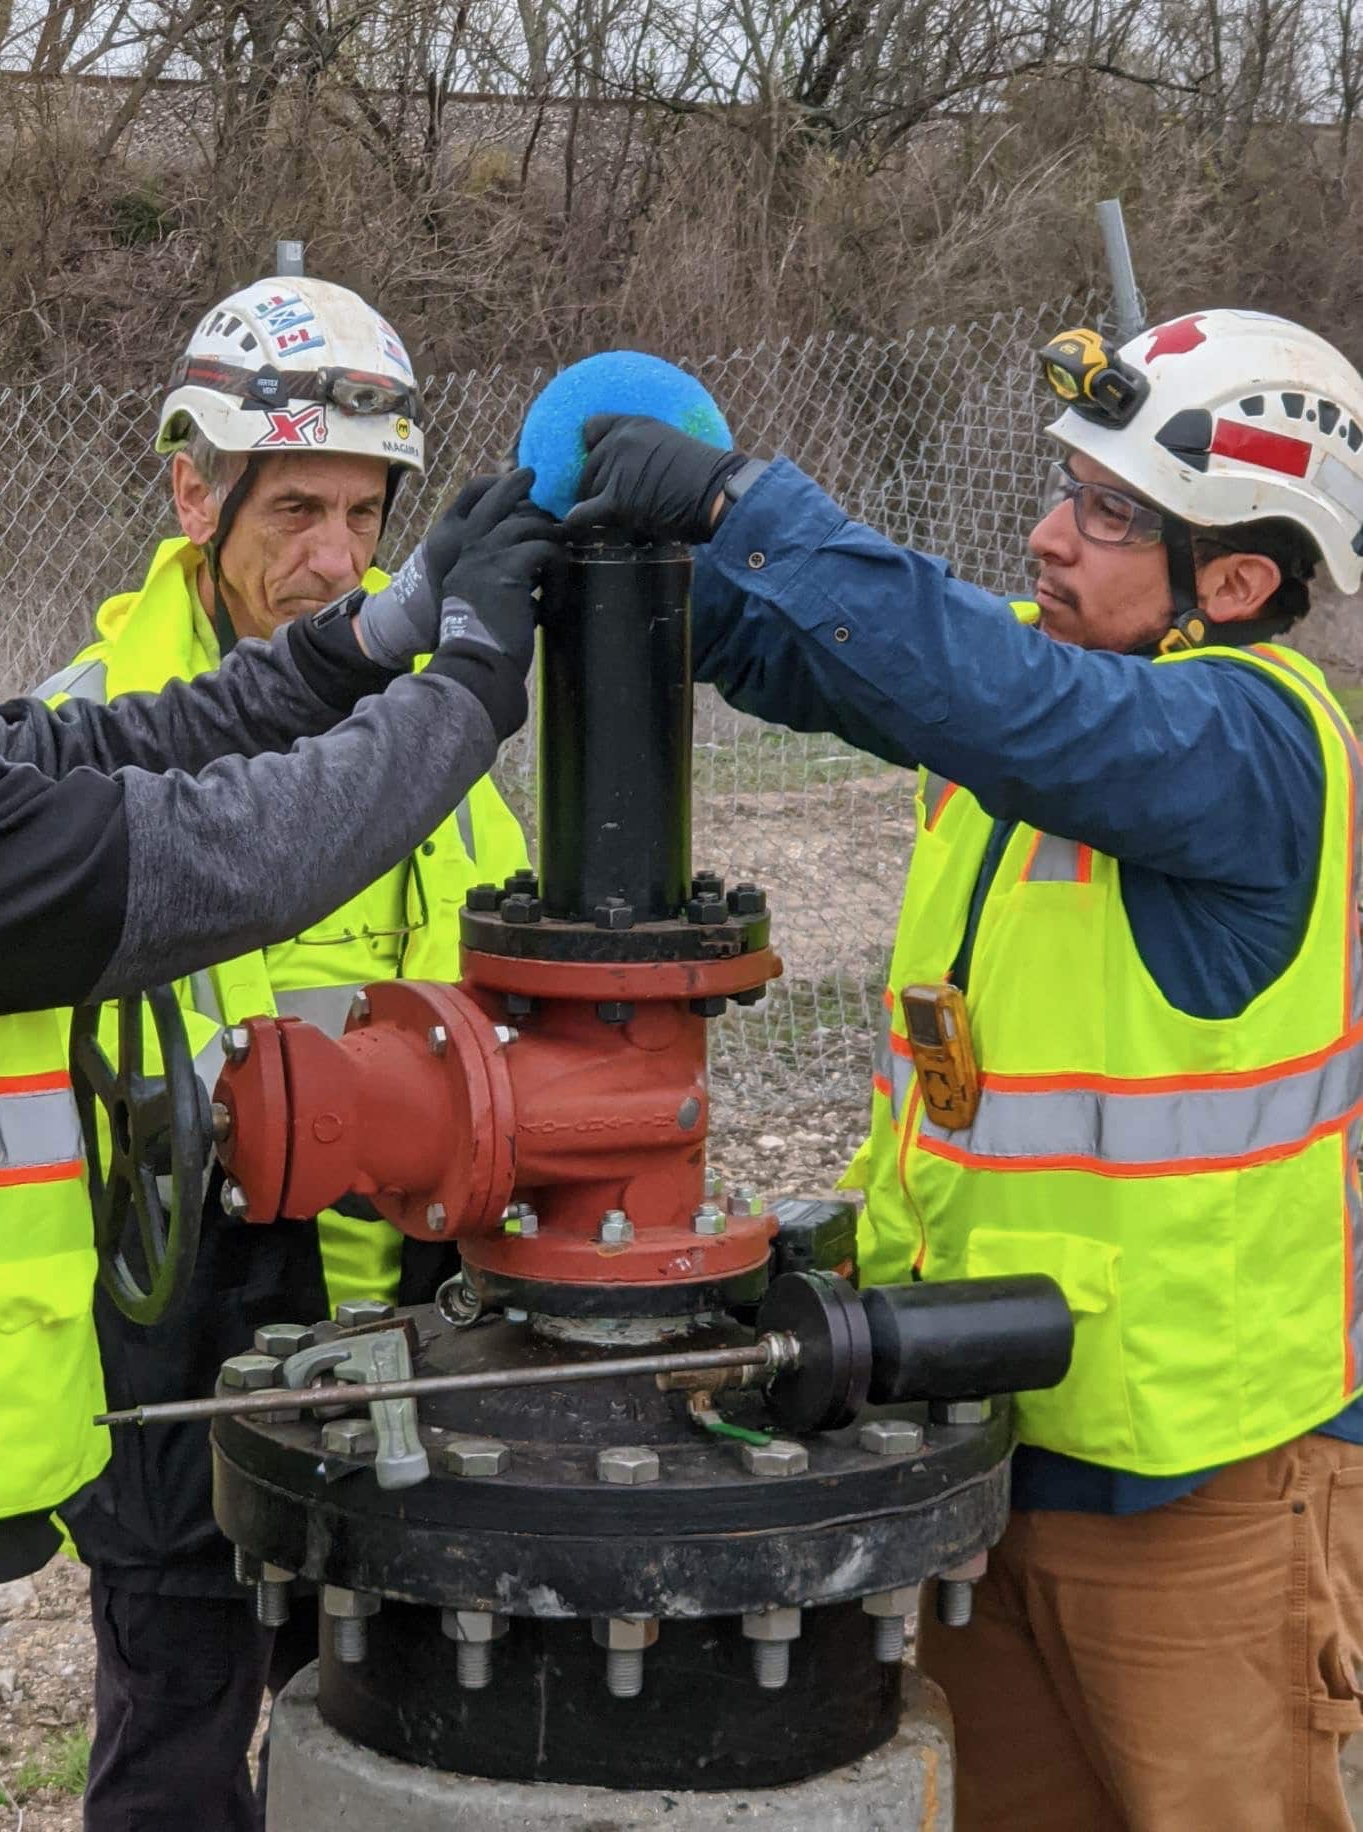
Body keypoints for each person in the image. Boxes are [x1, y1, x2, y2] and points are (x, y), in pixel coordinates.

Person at [567, 310, 1363, 1829]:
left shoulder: (1248, 746)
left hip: (1202, 1497)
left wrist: (746, 502)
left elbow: (992, 701)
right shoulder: (1043, 685)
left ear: (1238, 581)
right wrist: (616, 559)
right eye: (1064, 485)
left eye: (1109, 513)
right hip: (994, 1441)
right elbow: (834, 656)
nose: (1047, 535)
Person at [23, 277, 539, 1832]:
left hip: (402, 1332)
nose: (334, 559)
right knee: (178, 1739)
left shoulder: (449, 778)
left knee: (384, 1734)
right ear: (194, 490)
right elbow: (231, 844)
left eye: (366, 515)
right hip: (166, 1343)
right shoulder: (76, 732)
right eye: (296, 506)